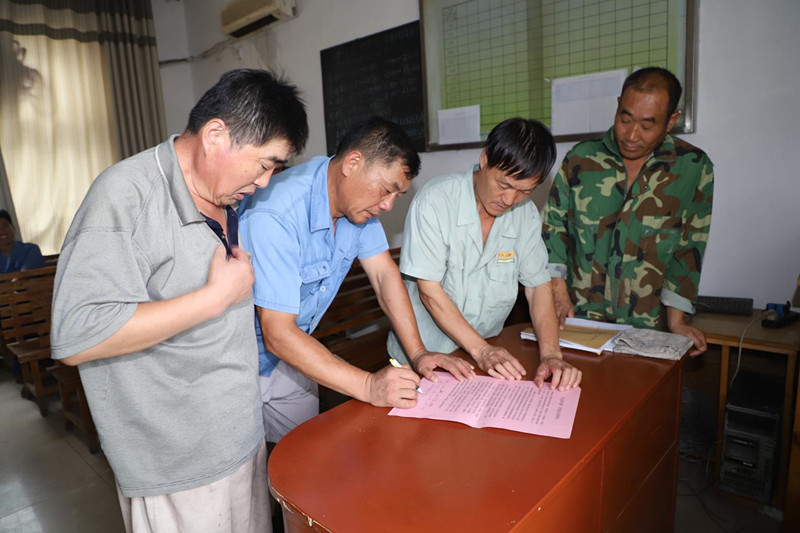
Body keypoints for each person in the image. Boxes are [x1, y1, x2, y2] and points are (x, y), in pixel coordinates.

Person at [50, 69, 308, 533]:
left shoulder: (226, 194)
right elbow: (77, 334)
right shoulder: (125, 195)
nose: (265, 182)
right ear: (215, 136)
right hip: (177, 461)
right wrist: (213, 298)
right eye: (264, 164)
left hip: (240, 437)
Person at [239, 117, 475, 442]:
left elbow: (384, 275)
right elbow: (277, 333)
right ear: (352, 163)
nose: (388, 205)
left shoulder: (356, 207)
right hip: (237, 365)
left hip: (295, 356)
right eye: (387, 190)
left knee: (309, 455)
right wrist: (368, 385)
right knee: (247, 471)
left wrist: (419, 353)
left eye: (397, 195)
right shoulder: (277, 213)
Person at [387, 118, 582, 389]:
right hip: (425, 360)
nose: (509, 200)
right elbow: (429, 291)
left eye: (524, 191)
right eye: (504, 185)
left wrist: (551, 355)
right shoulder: (436, 201)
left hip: (482, 360)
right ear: (484, 159)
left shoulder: (524, 215)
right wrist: (482, 351)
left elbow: (538, 287)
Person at [542, 67, 714, 356]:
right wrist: (557, 293)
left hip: (646, 329)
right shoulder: (582, 159)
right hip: (577, 322)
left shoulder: (693, 167)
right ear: (618, 105)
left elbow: (689, 248)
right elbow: (553, 228)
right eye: (625, 119)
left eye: (647, 126)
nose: (632, 135)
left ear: (671, 121)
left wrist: (677, 321)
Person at [0, 209, 45, 273]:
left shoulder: (30, 250)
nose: (1, 231)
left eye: (5, 225)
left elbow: (25, 275)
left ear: (13, 228)